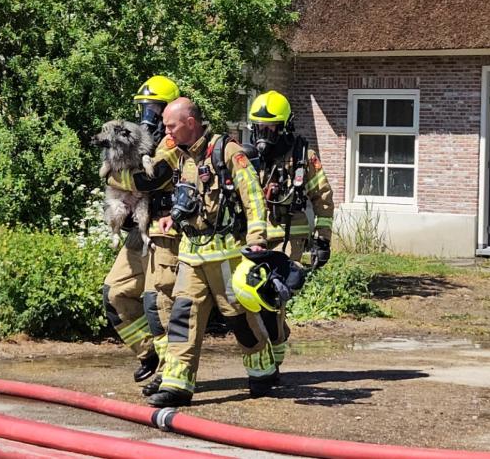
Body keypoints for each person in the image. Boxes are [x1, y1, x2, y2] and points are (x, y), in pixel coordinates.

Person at [147, 97, 277, 407]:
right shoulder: (178, 155)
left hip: (225, 255)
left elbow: (253, 195)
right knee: (182, 316)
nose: (166, 131)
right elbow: (187, 197)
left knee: (239, 318)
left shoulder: (226, 151)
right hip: (191, 254)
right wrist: (171, 218)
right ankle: (177, 384)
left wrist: (257, 238)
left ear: (190, 123)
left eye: (171, 125)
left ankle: (263, 371)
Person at [99, 75, 181, 383]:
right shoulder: (134, 138)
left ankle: (170, 372)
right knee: (114, 293)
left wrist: (115, 178)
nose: (148, 114)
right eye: (143, 107)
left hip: (165, 229)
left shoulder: (173, 141)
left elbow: (151, 179)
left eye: (154, 107)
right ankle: (148, 353)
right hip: (138, 228)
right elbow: (110, 166)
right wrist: (116, 176)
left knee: (156, 303)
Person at [245, 90, 335, 372]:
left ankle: (276, 349)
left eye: (270, 127)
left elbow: (323, 198)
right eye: (259, 127)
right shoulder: (246, 158)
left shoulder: (302, 157)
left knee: (274, 292)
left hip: (289, 238)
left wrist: (322, 240)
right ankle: (275, 335)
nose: (264, 134)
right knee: (249, 295)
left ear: (284, 126)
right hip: (255, 238)